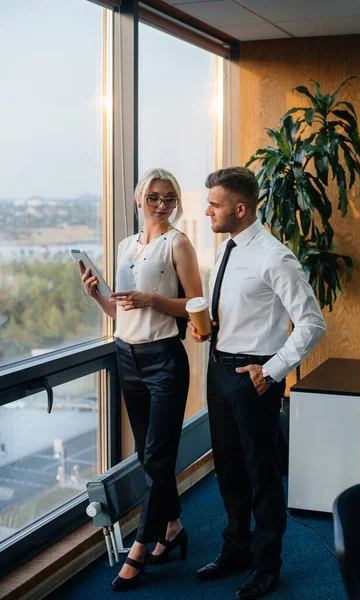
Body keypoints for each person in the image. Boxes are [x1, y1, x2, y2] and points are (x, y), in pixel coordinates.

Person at [189, 167, 326, 599]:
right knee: (227, 468)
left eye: (214, 204)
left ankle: (267, 565)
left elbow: (312, 323)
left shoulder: (274, 256)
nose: (206, 210)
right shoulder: (227, 249)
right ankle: (237, 549)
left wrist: (270, 371)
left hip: (255, 376)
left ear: (240, 208)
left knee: (261, 473)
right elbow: (238, 310)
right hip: (219, 369)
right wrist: (209, 327)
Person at [79, 168, 203, 592]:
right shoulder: (126, 246)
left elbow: (195, 307)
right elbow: (125, 313)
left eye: (169, 197)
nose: (161, 205)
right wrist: (97, 294)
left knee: (156, 456)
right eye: (153, 197)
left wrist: (153, 299)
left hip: (164, 359)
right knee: (151, 456)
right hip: (126, 356)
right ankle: (172, 527)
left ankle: (140, 546)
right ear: (138, 199)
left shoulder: (178, 243)